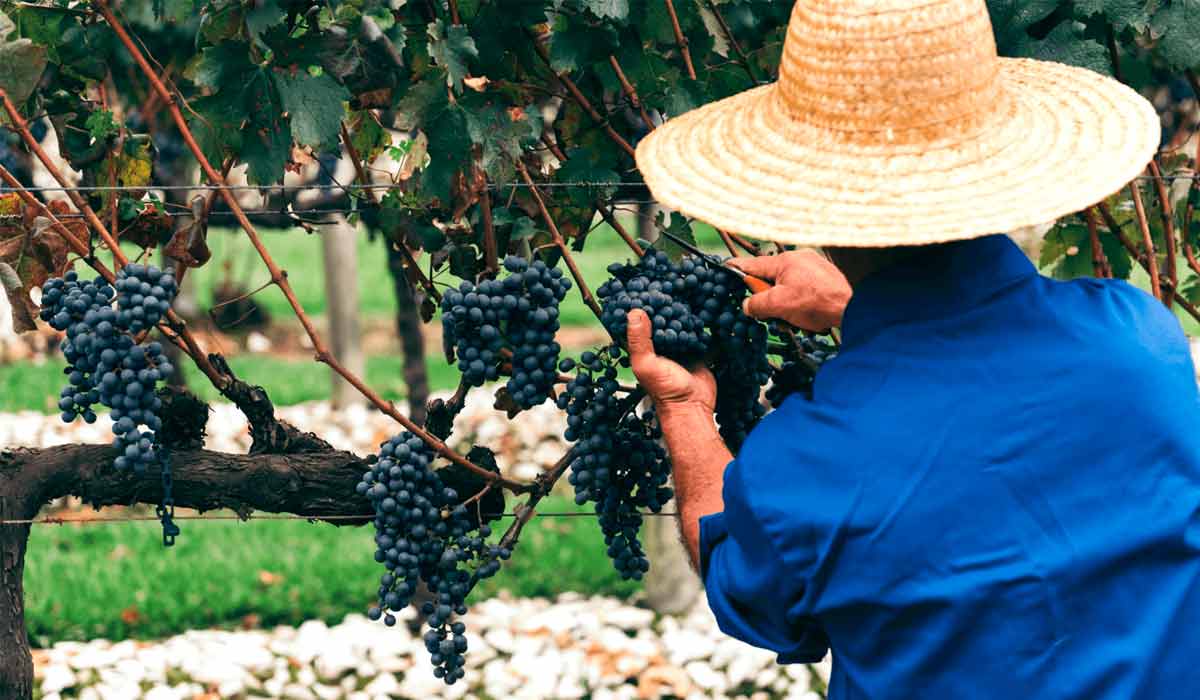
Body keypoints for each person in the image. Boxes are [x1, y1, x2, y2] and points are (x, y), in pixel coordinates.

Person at [628, 1, 1200, 698]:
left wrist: (684, 410)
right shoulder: (1142, 342)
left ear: (810, 202)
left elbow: (746, 593)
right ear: (1001, 162)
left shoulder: (806, 467)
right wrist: (857, 306)